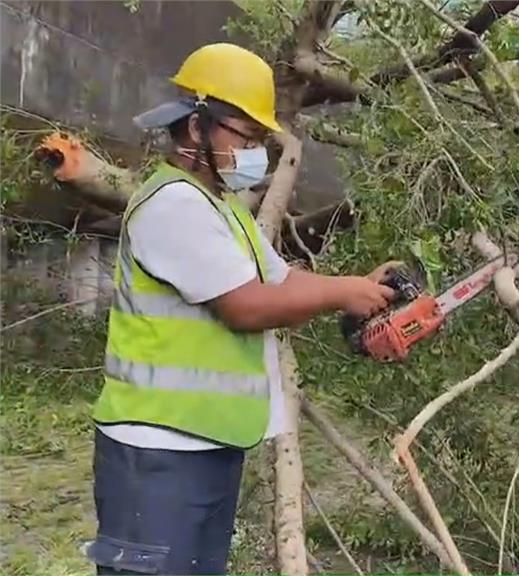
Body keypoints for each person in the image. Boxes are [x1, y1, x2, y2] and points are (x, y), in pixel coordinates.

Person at [83, 42, 397, 575]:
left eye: (259, 140)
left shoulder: (223, 208)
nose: (255, 153)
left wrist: (357, 285)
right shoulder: (173, 205)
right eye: (246, 137)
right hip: (156, 456)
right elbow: (247, 306)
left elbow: (283, 280)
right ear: (197, 126)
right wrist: (343, 294)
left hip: (206, 448)